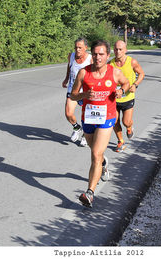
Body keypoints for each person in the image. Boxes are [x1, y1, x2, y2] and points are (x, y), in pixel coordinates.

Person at [70, 40, 130, 208]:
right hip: (88, 118)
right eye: (95, 54)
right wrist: (84, 95)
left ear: (107, 56)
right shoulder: (83, 73)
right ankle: (103, 164)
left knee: (95, 154)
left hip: (107, 118)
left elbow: (126, 83)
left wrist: (121, 90)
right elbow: (73, 95)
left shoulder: (115, 73)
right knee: (95, 151)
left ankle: (89, 193)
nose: (97, 57)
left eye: (101, 54)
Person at [110, 40, 145, 152]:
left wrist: (135, 84)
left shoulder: (132, 62)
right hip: (114, 98)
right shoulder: (110, 64)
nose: (118, 51)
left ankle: (129, 128)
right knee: (114, 121)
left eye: (120, 49)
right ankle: (120, 141)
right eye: (116, 49)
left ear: (125, 50)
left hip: (128, 97)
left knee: (126, 122)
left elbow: (141, 74)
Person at [62, 38, 92, 146]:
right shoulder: (71, 56)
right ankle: (76, 127)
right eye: (76, 47)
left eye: (80, 47)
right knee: (68, 113)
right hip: (73, 89)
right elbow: (69, 67)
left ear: (86, 48)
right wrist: (66, 78)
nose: (77, 50)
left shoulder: (90, 59)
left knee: (86, 116)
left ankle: (84, 134)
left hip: (85, 91)